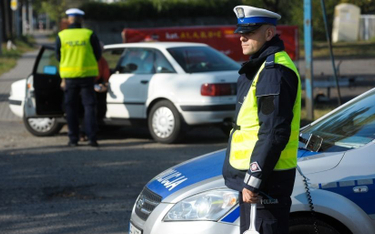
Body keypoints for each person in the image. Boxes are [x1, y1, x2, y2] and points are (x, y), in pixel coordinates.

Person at [222, 5, 301, 234]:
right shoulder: (263, 66)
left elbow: (273, 132)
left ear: (268, 34)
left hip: (264, 182)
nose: (242, 38)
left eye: (249, 32)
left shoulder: (273, 72)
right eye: (241, 33)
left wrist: (254, 178)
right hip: (259, 179)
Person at [56, 8, 102, 147]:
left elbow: (58, 56)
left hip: (69, 78)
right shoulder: (89, 34)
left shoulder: (62, 36)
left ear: (69, 20)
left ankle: (73, 139)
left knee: (71, 108)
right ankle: (92, 138)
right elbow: (98, 54)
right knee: (89, 107)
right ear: (81, 20)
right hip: (87, 77)